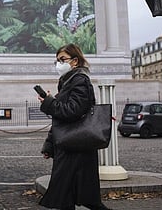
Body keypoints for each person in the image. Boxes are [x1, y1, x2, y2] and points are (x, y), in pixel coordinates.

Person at [37, 43, 111, 210]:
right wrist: (50, 145)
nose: (59, 64)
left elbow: (74, 111)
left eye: (62, 59)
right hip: (70, 145)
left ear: (75, 61)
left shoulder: (79, 80)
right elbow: (60, 119)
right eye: (56, 60)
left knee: (68, 195)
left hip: (76, 147)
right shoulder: (67, 82)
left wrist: (50, 103)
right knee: (69, 196)